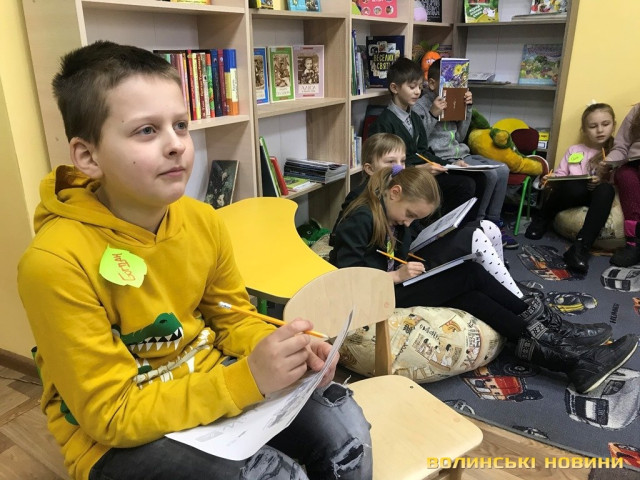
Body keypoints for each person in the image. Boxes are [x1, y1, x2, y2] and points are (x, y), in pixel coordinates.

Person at [17, 41, 372, 480]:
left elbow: (232, 318)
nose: (176, 146)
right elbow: (111, 414)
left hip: (209, 381)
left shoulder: (202, 220)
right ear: (88, 156)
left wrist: (288, 351)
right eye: (146, 130)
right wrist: (247, 381)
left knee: (346, 434)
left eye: (181, 125)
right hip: (115, 438)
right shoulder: (53, 263)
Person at [332, 165, 638, 395]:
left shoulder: (392, 213)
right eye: (409, 214)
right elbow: (347, 280)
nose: (409, 222)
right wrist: (395, 275)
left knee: (472, 297)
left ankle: (570, 361)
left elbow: (399, 249)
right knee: (470, 273)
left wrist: (414, 252)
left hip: (395, 283)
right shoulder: (361, 219)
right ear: (394, 192)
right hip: (375, 295)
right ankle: (561, 340)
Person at [331, 132, 521, 296]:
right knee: (473, 240)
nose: (398, 168)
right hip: (408, 255)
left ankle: (505, 282)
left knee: (487, 227)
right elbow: (342, 235)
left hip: (413, 245)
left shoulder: (397, 192)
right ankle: (512, 293)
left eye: (402, 161)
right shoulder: (362, 199)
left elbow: (411, 226)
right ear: (369, 168)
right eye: (390, 162)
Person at [413, 59, 515, 249]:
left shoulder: (453, 100)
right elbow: (420, 142)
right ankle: (479, 225)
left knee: (503, 169)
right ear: (433, 83)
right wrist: (433, 114)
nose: (455, 88)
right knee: (490, 175)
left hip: (461, 152)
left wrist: (467, 109)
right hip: (444, 157)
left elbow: (460, 136)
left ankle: (494, 222)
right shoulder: (421, 106)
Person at [368, 57, 479, 219]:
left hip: (421, 172)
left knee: (477, 178)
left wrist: (450, 165)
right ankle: (444, 227)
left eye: (420, 87)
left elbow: (423, 151)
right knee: (464, 185)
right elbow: (384, 168)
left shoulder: (414, 118)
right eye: (412, 87)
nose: (418, 92)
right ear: (394, 88)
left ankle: (468, 227)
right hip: (404, 178)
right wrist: (419, 170)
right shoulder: (384, 123)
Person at [525, 102, 617, 273]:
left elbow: (616, 183)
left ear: (614, 125)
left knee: (607, 190)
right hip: (572, 193)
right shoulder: (575, 150)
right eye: (593, 126)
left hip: (595, 197)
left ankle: (580, 248)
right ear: (584, 130)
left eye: (605, 124)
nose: (600, 130)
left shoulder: (615, 152)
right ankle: (542, 219)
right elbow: (561, 174)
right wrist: (550, 178)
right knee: (574, 186)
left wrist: (601, 180)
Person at [606, 103, 640, 267]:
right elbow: (621, 147)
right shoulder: (637, 111)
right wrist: (608, 161)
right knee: (625, 176)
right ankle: (634, 243)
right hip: (633, 164)